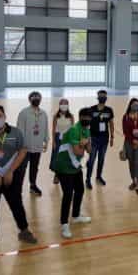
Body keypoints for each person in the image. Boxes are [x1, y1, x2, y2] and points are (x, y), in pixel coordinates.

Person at [0, 104, 37, 251]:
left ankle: (24, 231)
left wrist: (10, 171)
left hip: (11, 177)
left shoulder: (16, 133)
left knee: (16, 204)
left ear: (4, 116)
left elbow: (22, 151)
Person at [52, 107, 93, 238]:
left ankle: (75, 216)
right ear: (80, 117)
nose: (87, 119)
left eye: (89, 117)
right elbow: (78, 152)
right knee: (68, 194)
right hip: (64, 166)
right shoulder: (74, 130)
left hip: (75, 166)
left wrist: (85, 143)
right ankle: (64, 224)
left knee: (80, 190)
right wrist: (84, 144)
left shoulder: (87, 130)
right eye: (84, 117)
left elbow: (90, 150)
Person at [17, 91, 49, 196]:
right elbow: (20, 130)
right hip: (25, 147)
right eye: (34, 97)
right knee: (22, 168)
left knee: (34, 167)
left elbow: (46, 128)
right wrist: (20, 146)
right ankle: (18, 188)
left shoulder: (43, 114)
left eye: (38, 97)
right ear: (29, 99)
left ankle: (33, 185)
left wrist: (46, 141)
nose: (36, 99)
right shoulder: (24, 113)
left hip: (37, 146)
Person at [86, 89, 115, 189]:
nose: (102, 97)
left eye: (104, 96)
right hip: (93, 138)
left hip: (104, 139)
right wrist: (87, 138)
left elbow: (111, 123)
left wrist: (112, 137)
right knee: (91, 159)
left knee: (101, 159)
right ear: (97, 97)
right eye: (100, 96)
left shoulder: (109, 110)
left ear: (106, 98)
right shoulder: (92, 109)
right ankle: (88, 179)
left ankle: (98, 177)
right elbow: (87, 124)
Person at [121, 98, 138, 197]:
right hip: (129, 142)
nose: (136, 106)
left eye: (137, 104)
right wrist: (132, 140)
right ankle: (134, 181)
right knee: (131, 163)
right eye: (134, 104)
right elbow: (125, 131)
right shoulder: (126, 117)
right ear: (130, 105)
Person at [50, 100, 74, 185]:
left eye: (65, 104)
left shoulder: (71, 116)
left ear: (68, 105)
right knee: (57, 158)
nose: (64, 106)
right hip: (58, 139)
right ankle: (56, 175)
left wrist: (73, 141)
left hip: (67, 139)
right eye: (62, 104)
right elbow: (53, 130)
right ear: (59, 105)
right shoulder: (56, 116)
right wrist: (53, 142)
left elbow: (72, 129)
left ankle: (66, 175)